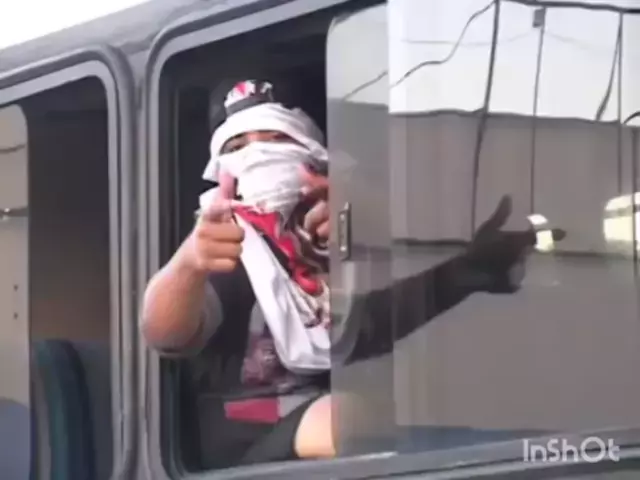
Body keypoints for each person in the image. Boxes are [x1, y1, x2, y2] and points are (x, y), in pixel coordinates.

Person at [141, 80, 542, 468]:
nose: (258, 155)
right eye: (237, 147)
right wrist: (190, 262)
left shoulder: (336, 234)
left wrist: (460, 266)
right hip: (251, 439)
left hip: (354, 438)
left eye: (276, 138)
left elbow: (375, 322)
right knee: (347, 417)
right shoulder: (225, 242)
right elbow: (163, 334)